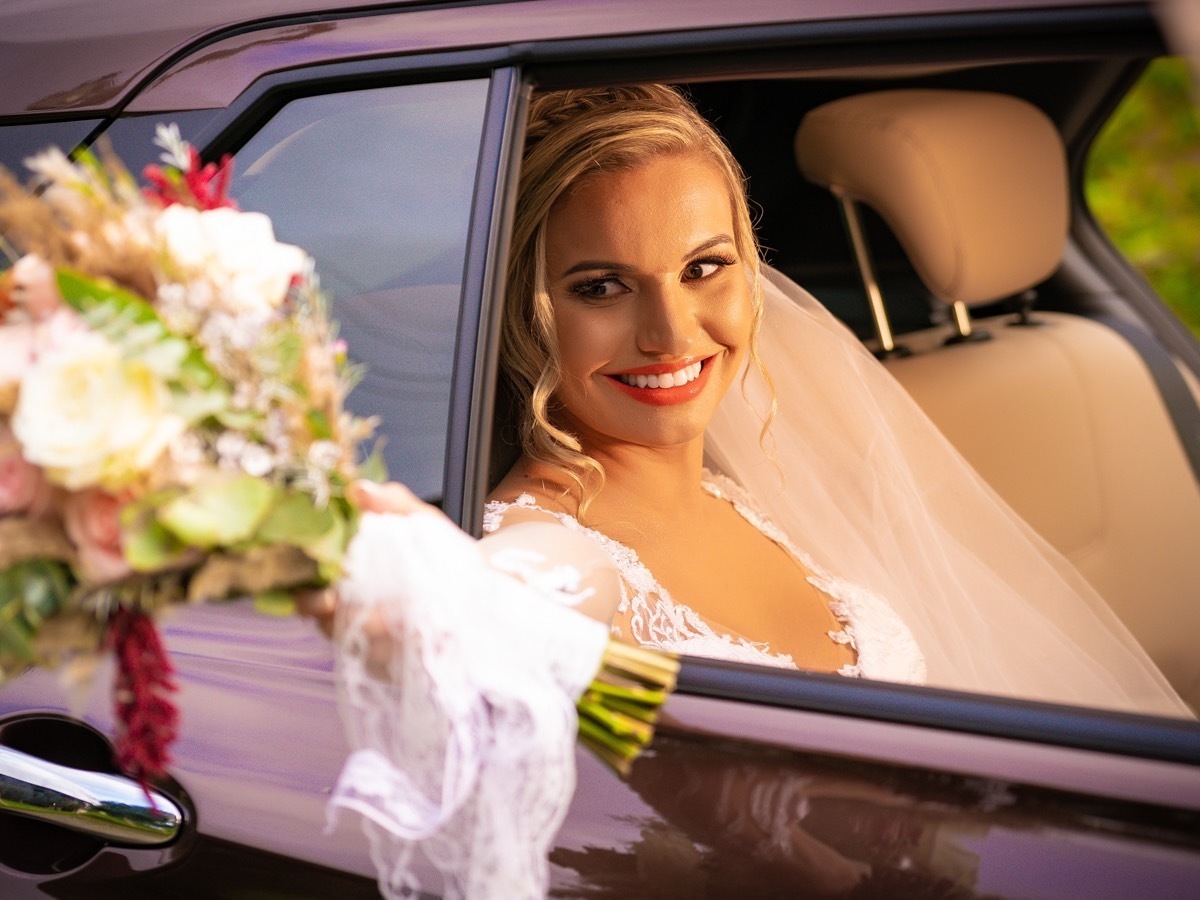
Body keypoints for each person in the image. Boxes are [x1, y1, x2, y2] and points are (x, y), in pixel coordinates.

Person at [311, 84, 1189, 718]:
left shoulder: (760, 487)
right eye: (602, 287)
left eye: (704, 267)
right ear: (521, 308)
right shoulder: (533, 560)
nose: (671, 333)